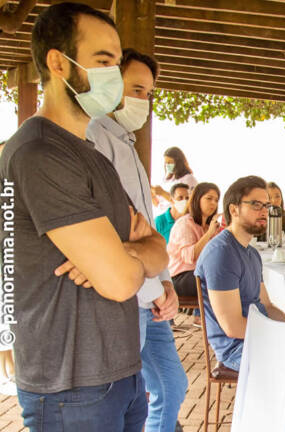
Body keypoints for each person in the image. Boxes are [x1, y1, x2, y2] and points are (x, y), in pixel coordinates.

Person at [0, 3, 169, 430]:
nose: (114, 74)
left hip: (119, 374)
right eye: (104, 61)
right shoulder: (40, 152)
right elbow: (118, 281)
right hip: (69, 387)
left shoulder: (94, 155)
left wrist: (123, 252)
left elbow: (158, 249)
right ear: (58, 62)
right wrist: (127, 261)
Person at [86, 48, 187, 432]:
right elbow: (115, 231)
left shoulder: (126, 142)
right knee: (129, 399)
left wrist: (164, 283)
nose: (143, 101)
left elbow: (147, 232)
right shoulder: (95, 138)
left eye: (148, 93)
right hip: (129, 298)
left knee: (172, 386)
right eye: (136, 89)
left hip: (150, 295)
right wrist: (155, 289)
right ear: (111, 85)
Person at [195, 176, 285, 384]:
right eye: (255, 204)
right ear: (234, 210)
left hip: (262, 336)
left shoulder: (251, 253)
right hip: (239, 347)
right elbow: (232, 327)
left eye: (267, 205)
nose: (264, 211)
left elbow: (267, 305)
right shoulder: (222, 253)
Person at [167, 182, 220, 325]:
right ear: (197, 199)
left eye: (216, 200)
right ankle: (212, 322)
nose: (213, 203)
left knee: (226, 275)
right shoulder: (185, 223)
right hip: (180, 278)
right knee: (216, 279)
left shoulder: (210, 226)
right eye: (209, 198)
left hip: (197, 274)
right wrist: (209, 234)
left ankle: (207, 319)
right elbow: (191, 257)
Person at [151, 146, 197, 211]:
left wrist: (162, 193)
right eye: (166, 162)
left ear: (179, 162)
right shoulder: (167, 180)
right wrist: (152, 195)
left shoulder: (189, 179)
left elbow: (184, 204)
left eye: (170, 162)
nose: (167, 165)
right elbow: (158, 204)